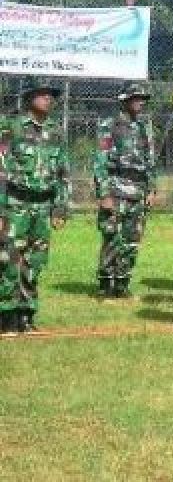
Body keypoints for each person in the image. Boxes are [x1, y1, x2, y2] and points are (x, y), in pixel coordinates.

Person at [0, 79, 69, 336]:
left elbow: (63, 173)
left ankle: (26, 314)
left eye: (50, 95)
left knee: (35, 261)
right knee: (9, 260)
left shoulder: (56, 132)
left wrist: (60, 208)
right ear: (30, 98)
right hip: (14, 205)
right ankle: (6, 316)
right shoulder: (11, 127)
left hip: (42, 206)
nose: (47, 99)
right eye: (42, 94)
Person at [93, 82, 156, 298]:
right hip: (116, 188)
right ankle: (105, 284)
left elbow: (150, 160)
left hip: (138, 190)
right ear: (125, 100)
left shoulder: (144, 127)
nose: (140, 102)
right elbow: (101, 161)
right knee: (112, 237)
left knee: (132, 239)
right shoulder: (109, 125)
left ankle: (122, 283)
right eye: (136, 97)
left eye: (142, 99)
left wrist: (152, 188)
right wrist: (104, 193)